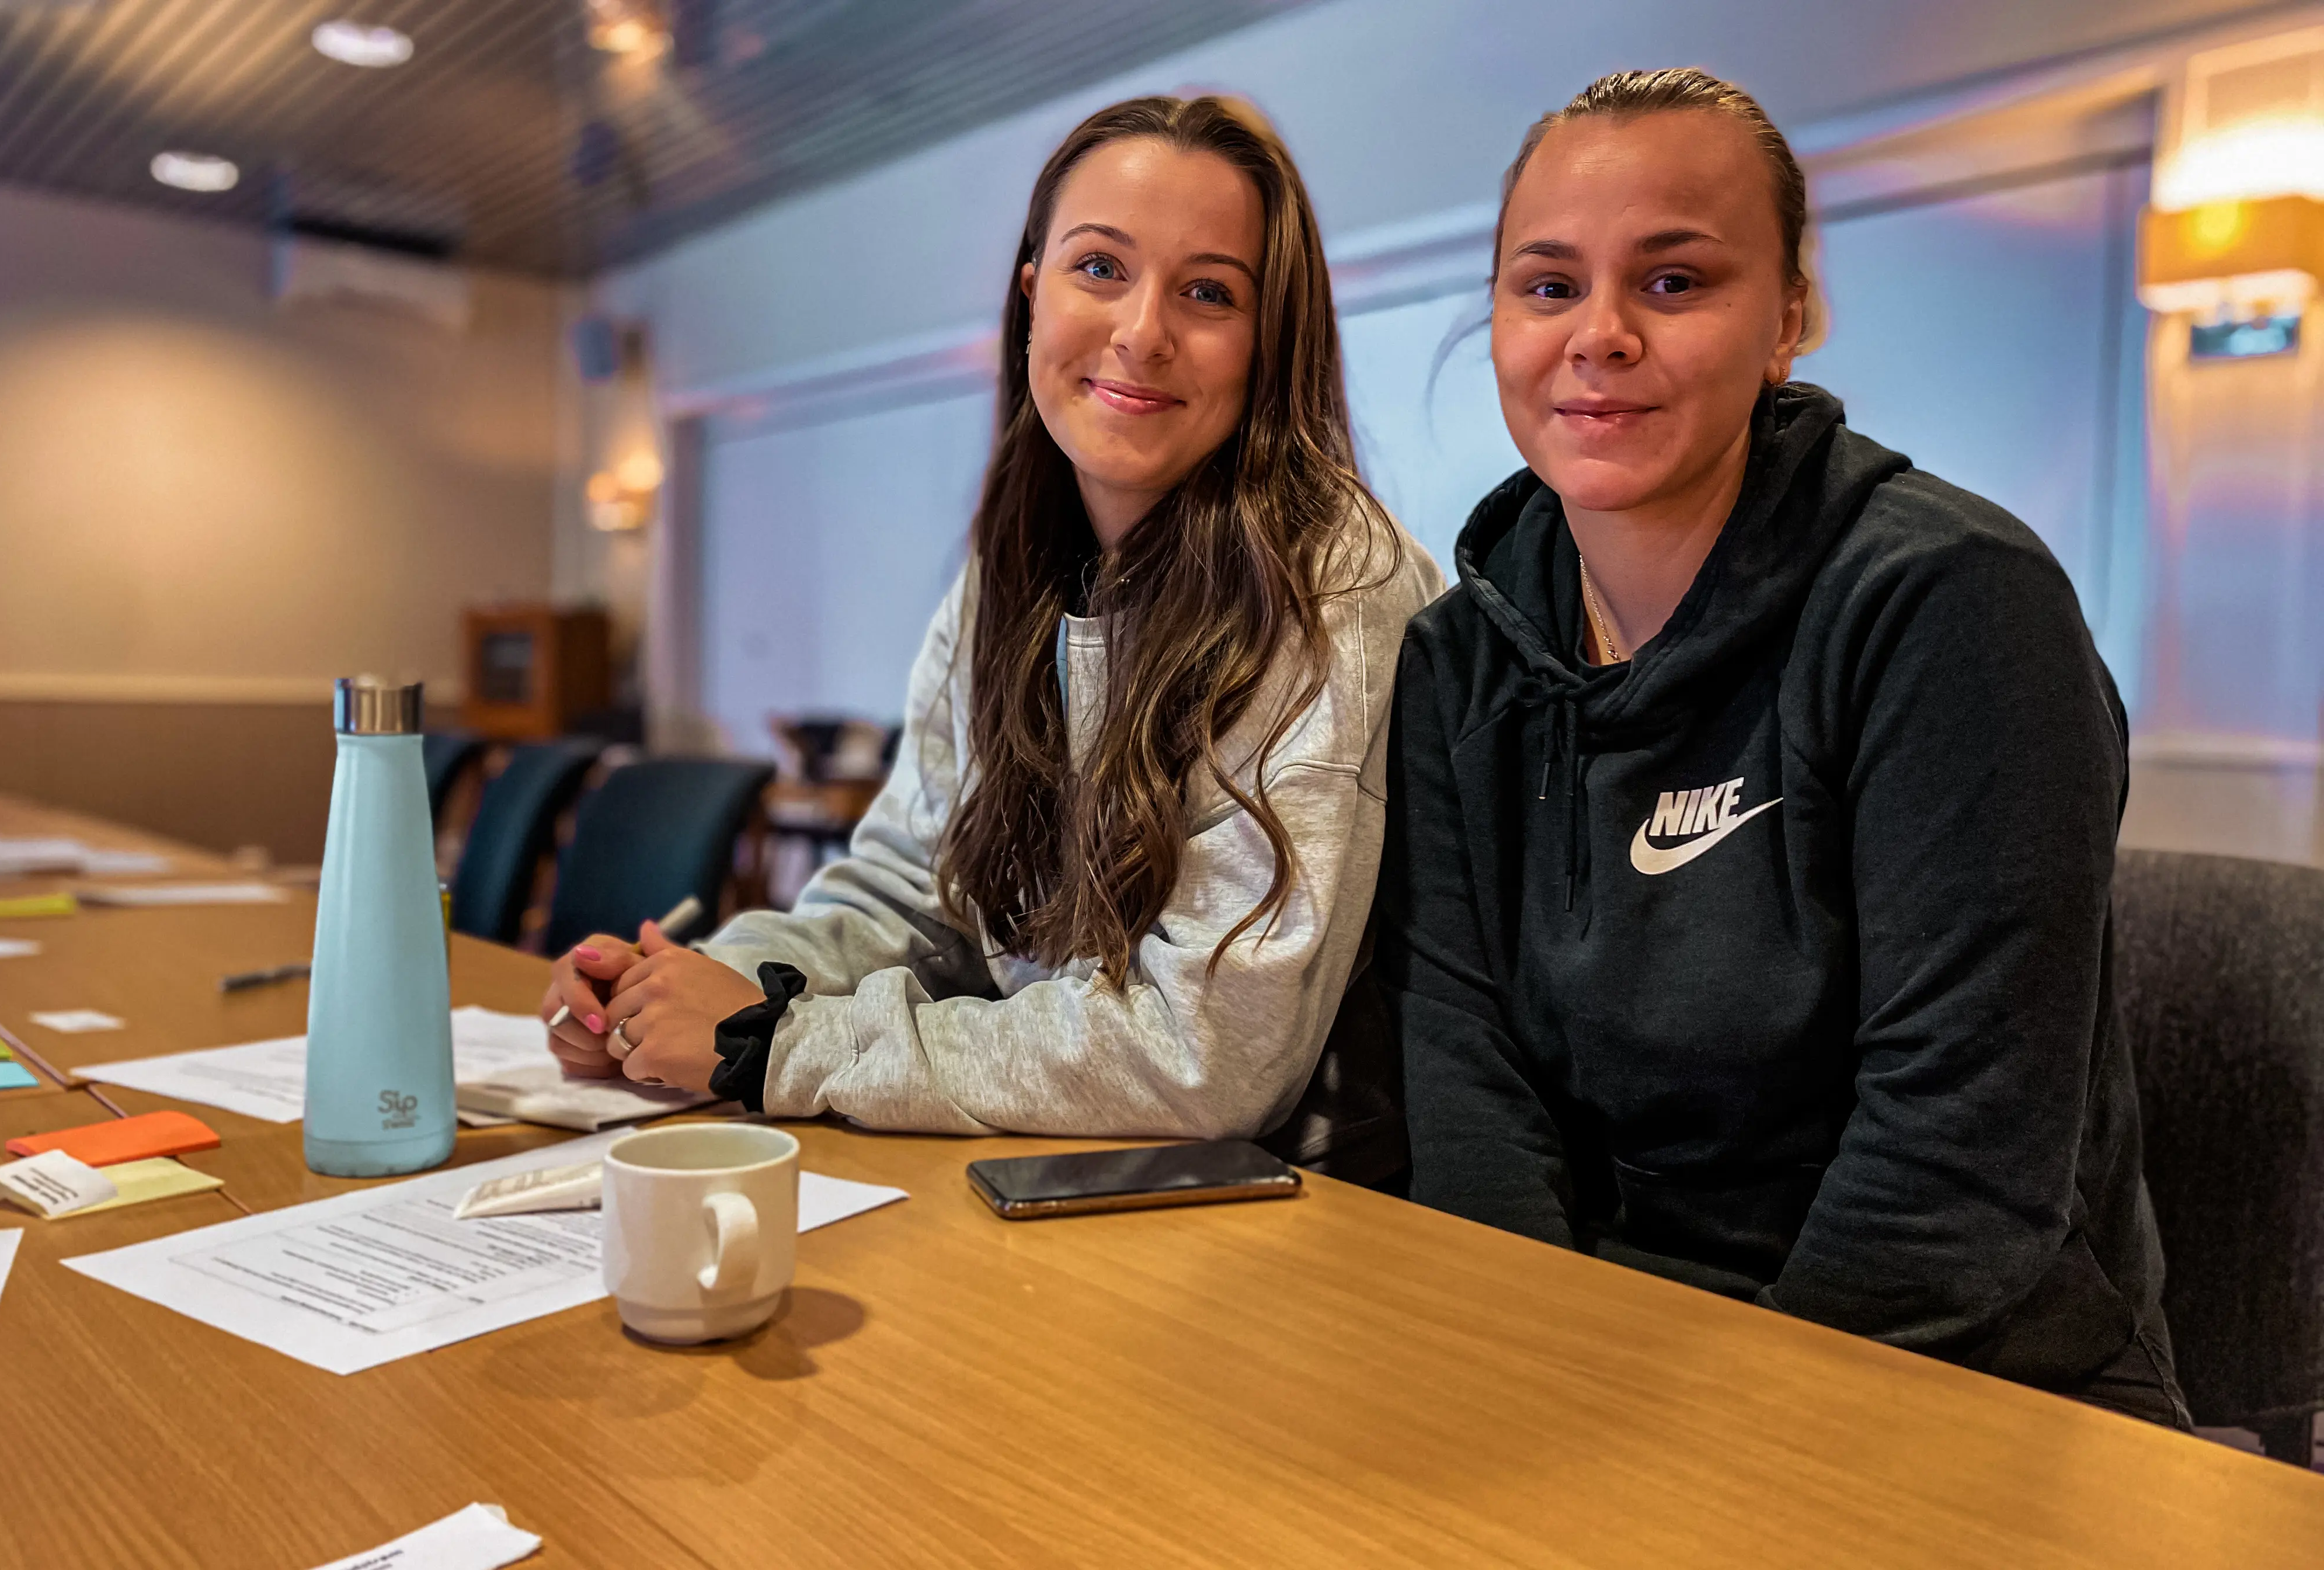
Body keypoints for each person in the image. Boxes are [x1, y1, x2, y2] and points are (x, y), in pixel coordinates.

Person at [1380, 68, 2187, 1426]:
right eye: (1549, 285)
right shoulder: (1459, 654)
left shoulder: (1951, 603)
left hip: (1968, 1377)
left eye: (1676, 282)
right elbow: (1468, 1081)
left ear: (1790, 318)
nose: (1601, 336)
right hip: (1605, 1348)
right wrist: (1514, 1375)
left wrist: (1698, 1457)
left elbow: (1954, 1180)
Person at [544, 95, 1443, 1154]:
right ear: (1033, 297)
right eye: (1100, 268)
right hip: (1043, 1168)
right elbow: (912, 895)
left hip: (1280, 1216)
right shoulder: (1007, 567)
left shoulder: (1334, 583)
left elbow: (1203, 1060)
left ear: (1268, 339)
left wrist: (769, 1041)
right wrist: (697, 990)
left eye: (1208, 293)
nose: (1142, 332)